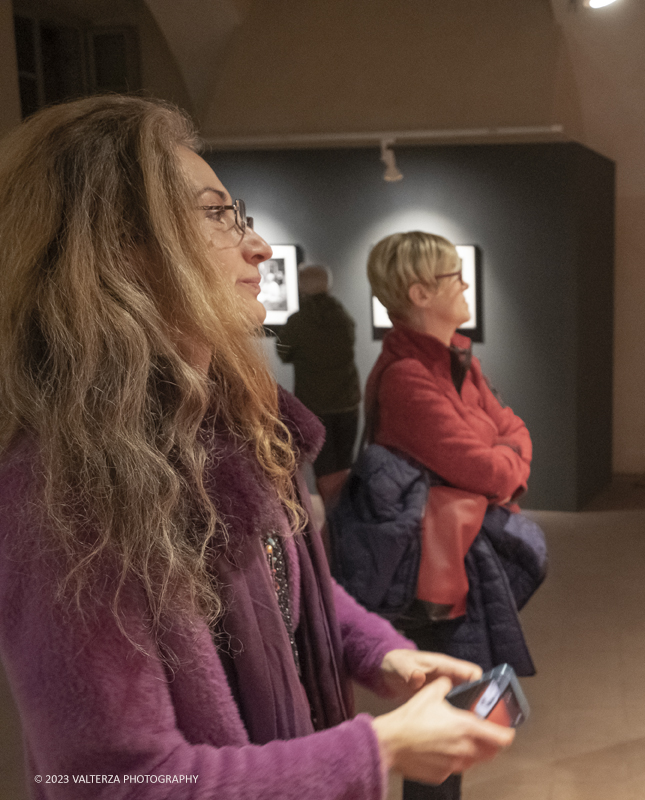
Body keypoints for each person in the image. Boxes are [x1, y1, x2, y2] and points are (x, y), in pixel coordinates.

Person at [0, 96, 513, 799]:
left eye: (237, 213)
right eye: (217, 215)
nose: (260, 246)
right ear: (120, 247)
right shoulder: (62, 490)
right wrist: (379, 746)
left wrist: (382, 654)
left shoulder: (226, 424)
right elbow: (114, 780)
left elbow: (292, 589)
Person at [362, 231, 536, 800]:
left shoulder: (459, 359)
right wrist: (503, 461)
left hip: (463, 563)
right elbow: (487, 467)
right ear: (418, 292)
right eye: (454, 276)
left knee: (460, 712)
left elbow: (512, 431)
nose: (466, 285)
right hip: (436, 576)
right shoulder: (409, 378)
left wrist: (500, 455)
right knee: (442, 727)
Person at [276, 264, 362, 508]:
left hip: (315, 404)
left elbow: (283, 352)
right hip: (348, 402)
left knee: (324, 468)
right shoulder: (342, 316)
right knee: (345, 465)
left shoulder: (298, 321)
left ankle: (334, 523)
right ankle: (342, 521)